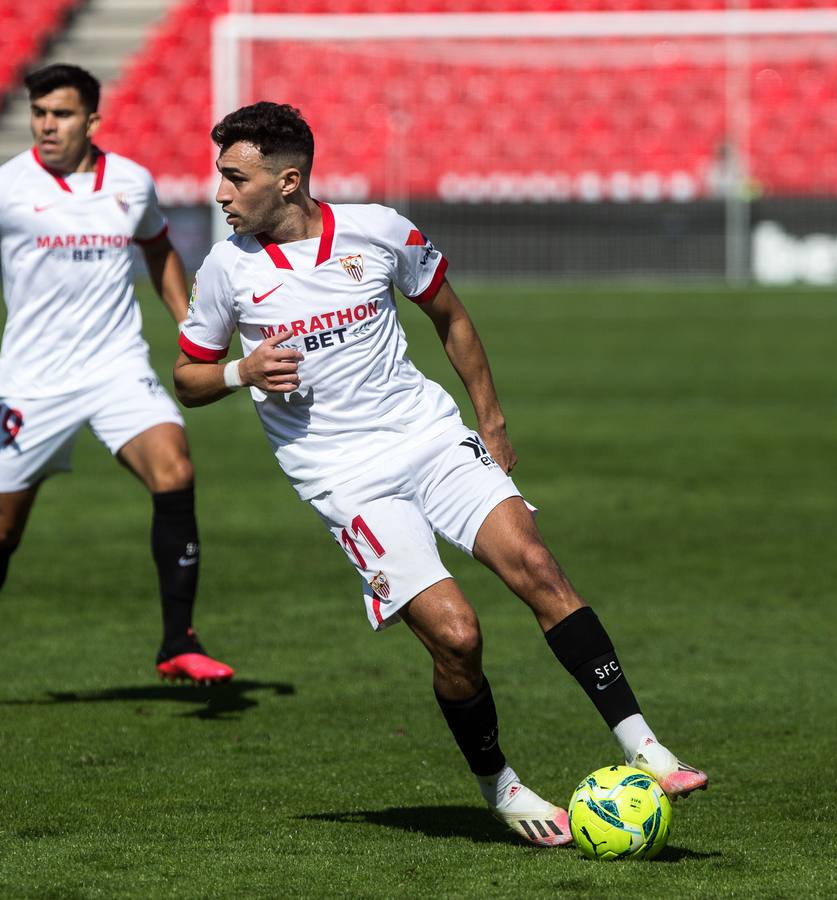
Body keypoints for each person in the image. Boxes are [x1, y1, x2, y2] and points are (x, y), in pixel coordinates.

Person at [173, 102, 707, 847]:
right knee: (457, 638)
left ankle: (642, 743)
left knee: (538, 568)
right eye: (220, 177)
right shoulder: (227, 270)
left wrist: (490, 421)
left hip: (429, 438)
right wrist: (241, 369)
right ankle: (500, 783)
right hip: (346, 481)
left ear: (288, 181)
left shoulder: (380, 230)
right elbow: (187, 379)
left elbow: (450, 317)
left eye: (236, 177)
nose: (221, 193)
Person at [0, 64, 232, 711]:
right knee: (0, 530)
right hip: (35, 383)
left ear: (92, 119)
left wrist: (190, 327)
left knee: (174, 469)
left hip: (118, 367)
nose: (47, 125)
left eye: (60, 114)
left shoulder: (131, 182)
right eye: (39, 113)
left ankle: (179, 638)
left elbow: (160, 250)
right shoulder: (6, 187)